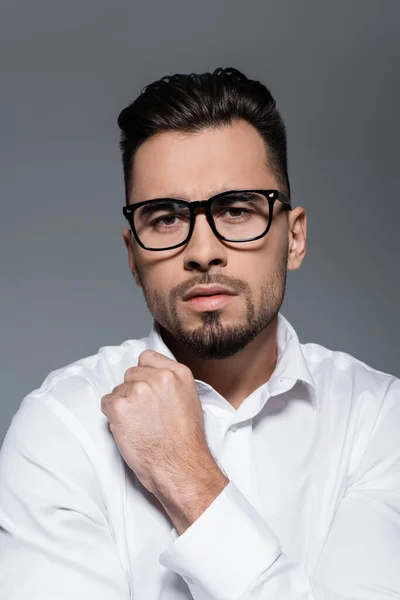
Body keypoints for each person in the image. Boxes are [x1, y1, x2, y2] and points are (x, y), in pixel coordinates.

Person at [0, 67, 399, 600]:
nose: (202, 251)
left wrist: (185, 475)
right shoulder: (62, 428)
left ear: (295, 237)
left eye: (236, 210)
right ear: (133, 256)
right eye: (165, 218)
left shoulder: (380, 422)